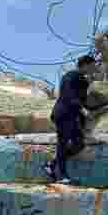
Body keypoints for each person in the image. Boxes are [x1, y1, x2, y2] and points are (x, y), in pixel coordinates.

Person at [43, 55, 96, 184]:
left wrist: (84, 124)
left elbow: (84, 102)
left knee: (79, 144)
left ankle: (52, 164)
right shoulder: (71, 76)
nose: (94, 68)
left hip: (72, 117)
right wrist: (82, 109)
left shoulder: (83, 81)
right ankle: (62, 175)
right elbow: (68, 94)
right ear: (85, 65)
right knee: (63, 143)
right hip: (63, 114)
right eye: (92, 66)